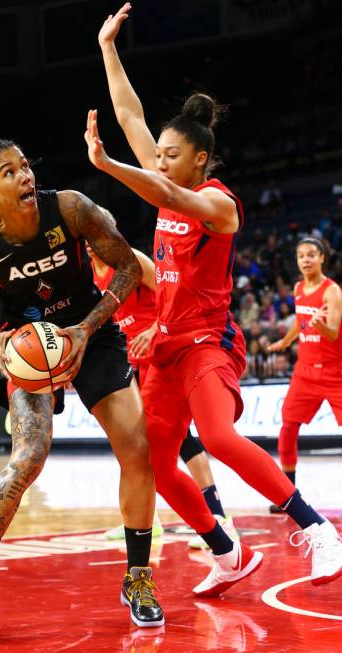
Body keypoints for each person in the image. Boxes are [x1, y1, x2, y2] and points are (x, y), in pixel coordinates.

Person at [85, 3, 342, 597]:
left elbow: (151, 180)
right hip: (168, 346)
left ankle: (320, 529)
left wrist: (108, 165)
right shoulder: (167, 186)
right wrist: (107, 48)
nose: (161, 161)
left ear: (199, 160)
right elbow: (130, 115)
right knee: (149, 460)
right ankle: (227, 552)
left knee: (222, 438)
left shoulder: (217, 204)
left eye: (170, 155)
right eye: (160, 155)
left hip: (210, 341)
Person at [0, 138, 164, 628]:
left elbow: (128, 267)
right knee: (29, 456)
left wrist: (86, 328)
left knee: (137, 448)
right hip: (27, 347)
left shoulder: (69, 208)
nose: (24, 175)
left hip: (93, 331)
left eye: (25, 165)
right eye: (9, 171)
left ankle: (139, 576)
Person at [87, 207, 235, 548]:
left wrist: (154, 328)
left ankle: (219, 515)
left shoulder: (133, 259)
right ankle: (147, 519)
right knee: (134, 444)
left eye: (99, 233)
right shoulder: (90, 276)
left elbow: (175, 297)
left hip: (162, 357)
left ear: (112, 230)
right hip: (129, 364)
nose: (93, 243)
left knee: (182, 440)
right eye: (88, 236)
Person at [268, 237, 342, 509]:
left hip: (337, 372)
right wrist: (286, 341)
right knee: (288, 427)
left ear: (322, 257)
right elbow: (301, 321)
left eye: (312, 254)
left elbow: (334, 332)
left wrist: (320, 324)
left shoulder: (332, 291)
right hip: (305, 372)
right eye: (301, 255)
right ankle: (287, 494)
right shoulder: (299, 287)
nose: (306, 259)